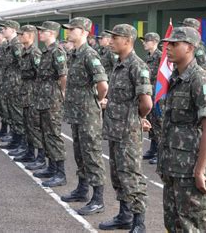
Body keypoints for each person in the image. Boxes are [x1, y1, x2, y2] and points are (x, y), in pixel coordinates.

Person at [157, 26, 206, 232]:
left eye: (174, 44)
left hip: (190, 170)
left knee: (192, 225)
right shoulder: (176, 77)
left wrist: (200, 170)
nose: (168, 48)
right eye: (168, 44)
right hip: (173, 166)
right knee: (172, 224)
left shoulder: (200, 79)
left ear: (190, 47)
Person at [99, 24, 152, 232]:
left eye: (115, 38)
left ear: (128, 40)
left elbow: (146, 103)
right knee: (118, 174)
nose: (111, 41)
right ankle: (124, 215)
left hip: (128, 132)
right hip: (115, 129)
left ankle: (139, 222)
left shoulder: (137, 66)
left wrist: (137, 118)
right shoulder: (118, 64)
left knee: (131, 176)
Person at [60, 17, 108, 216]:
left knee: (92, 154)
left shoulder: (90, 55)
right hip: (76, 112)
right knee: (80, 152)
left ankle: (98, 199)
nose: (69, 32)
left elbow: (103, 84)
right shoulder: (74, 54)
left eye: (73, 29)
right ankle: (82, 189)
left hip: (88, 113)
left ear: (84, 32)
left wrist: (97, 100)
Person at [33, 21, 68, 188]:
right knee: (46, 133)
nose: (40, 34)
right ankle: (51, 167)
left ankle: (60, 173)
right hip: (43, 98)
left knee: (54, 134)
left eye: (43, 31)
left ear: (52, 33)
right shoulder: (46, 52)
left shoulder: (57, 52)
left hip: (52, 99)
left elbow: (63, 77)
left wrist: (62, 95)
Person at [13, 25, 43, 165]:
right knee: (27, 124)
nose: (19, 36)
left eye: (22, 34)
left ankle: (40, 157)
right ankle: (30, 152)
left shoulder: (35, 53)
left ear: (30, 36)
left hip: (33, 94)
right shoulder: (24, 51)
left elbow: (39, 75)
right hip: (25, 92)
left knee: (35, 126)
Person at [0, 20, 26, 148]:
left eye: (6, 28)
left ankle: (20, 142)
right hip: (8, 83)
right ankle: (15, 139)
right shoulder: (8, 45)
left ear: (14, 30)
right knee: (11, 112)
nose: (3, 30)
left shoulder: (17, 45)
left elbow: (22, 65)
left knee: (17, 113)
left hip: (15, 84)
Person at [141, 32, 162, 165]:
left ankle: (161, 153)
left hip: (158, 94)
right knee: (152, 123)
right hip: (150, 93)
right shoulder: (148, 57)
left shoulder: (160, 57)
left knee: (159, 124)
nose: (144, 43)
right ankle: (153, 149)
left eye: (146, 41)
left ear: (154, 42)